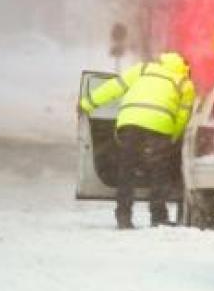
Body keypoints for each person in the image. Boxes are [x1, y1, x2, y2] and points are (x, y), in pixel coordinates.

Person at [79, 51, 195, 229]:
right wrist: (172, 137)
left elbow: (114, 87)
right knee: (159, 173)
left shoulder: (143, 69)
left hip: (130, 123)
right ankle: (158, 217)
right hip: (160, 127)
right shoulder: (184, 83)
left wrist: (87, 104)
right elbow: (183, 116)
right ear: (184, 67)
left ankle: (123, 216)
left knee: (127, 170)